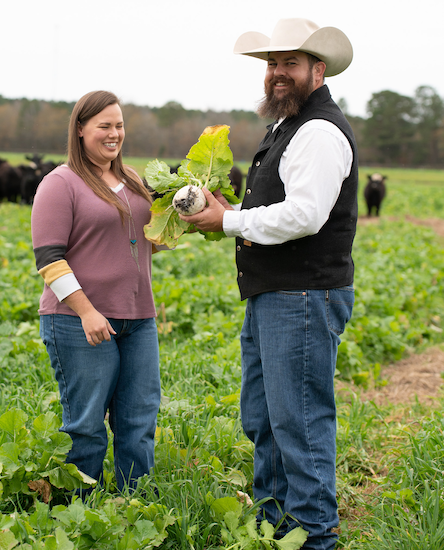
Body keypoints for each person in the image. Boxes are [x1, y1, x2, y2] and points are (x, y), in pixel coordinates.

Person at [180, 19, 357, 550]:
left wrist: (229, 223)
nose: (278, 74)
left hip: (301, 296)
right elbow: (277, 208)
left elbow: (304, 215)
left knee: (298, 423)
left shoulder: (319, 131)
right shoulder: (288, 127)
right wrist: (228, 212)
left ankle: (314, 537)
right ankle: (276, 527)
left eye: (290, 64)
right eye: (272, 64)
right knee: (264, 418)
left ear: (317, 70)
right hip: (275, 296)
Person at [31, 90, 161, 494]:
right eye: (104, 125)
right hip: (77, 320)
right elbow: (49, 260)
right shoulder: (60, 183)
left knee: (139, 419)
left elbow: (148, 239)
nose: (114, 133)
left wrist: (178, 222)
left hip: (138, 318)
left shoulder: (134, 180)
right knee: (86, 425)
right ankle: (77, 509)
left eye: (119, 125)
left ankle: (134, 502)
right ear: (81, 129)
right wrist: (87, 311)